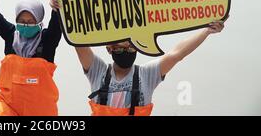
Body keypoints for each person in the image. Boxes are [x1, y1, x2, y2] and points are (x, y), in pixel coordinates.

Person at [71, 8, 228, 116]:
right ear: (109, 49)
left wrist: (207, 31)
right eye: (119, 49)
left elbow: (177, 54)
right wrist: (63, 9)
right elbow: (77, 40)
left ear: (138, 48)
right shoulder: (97, 71)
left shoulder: (146, 75)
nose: (126, 52)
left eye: (131, 48)